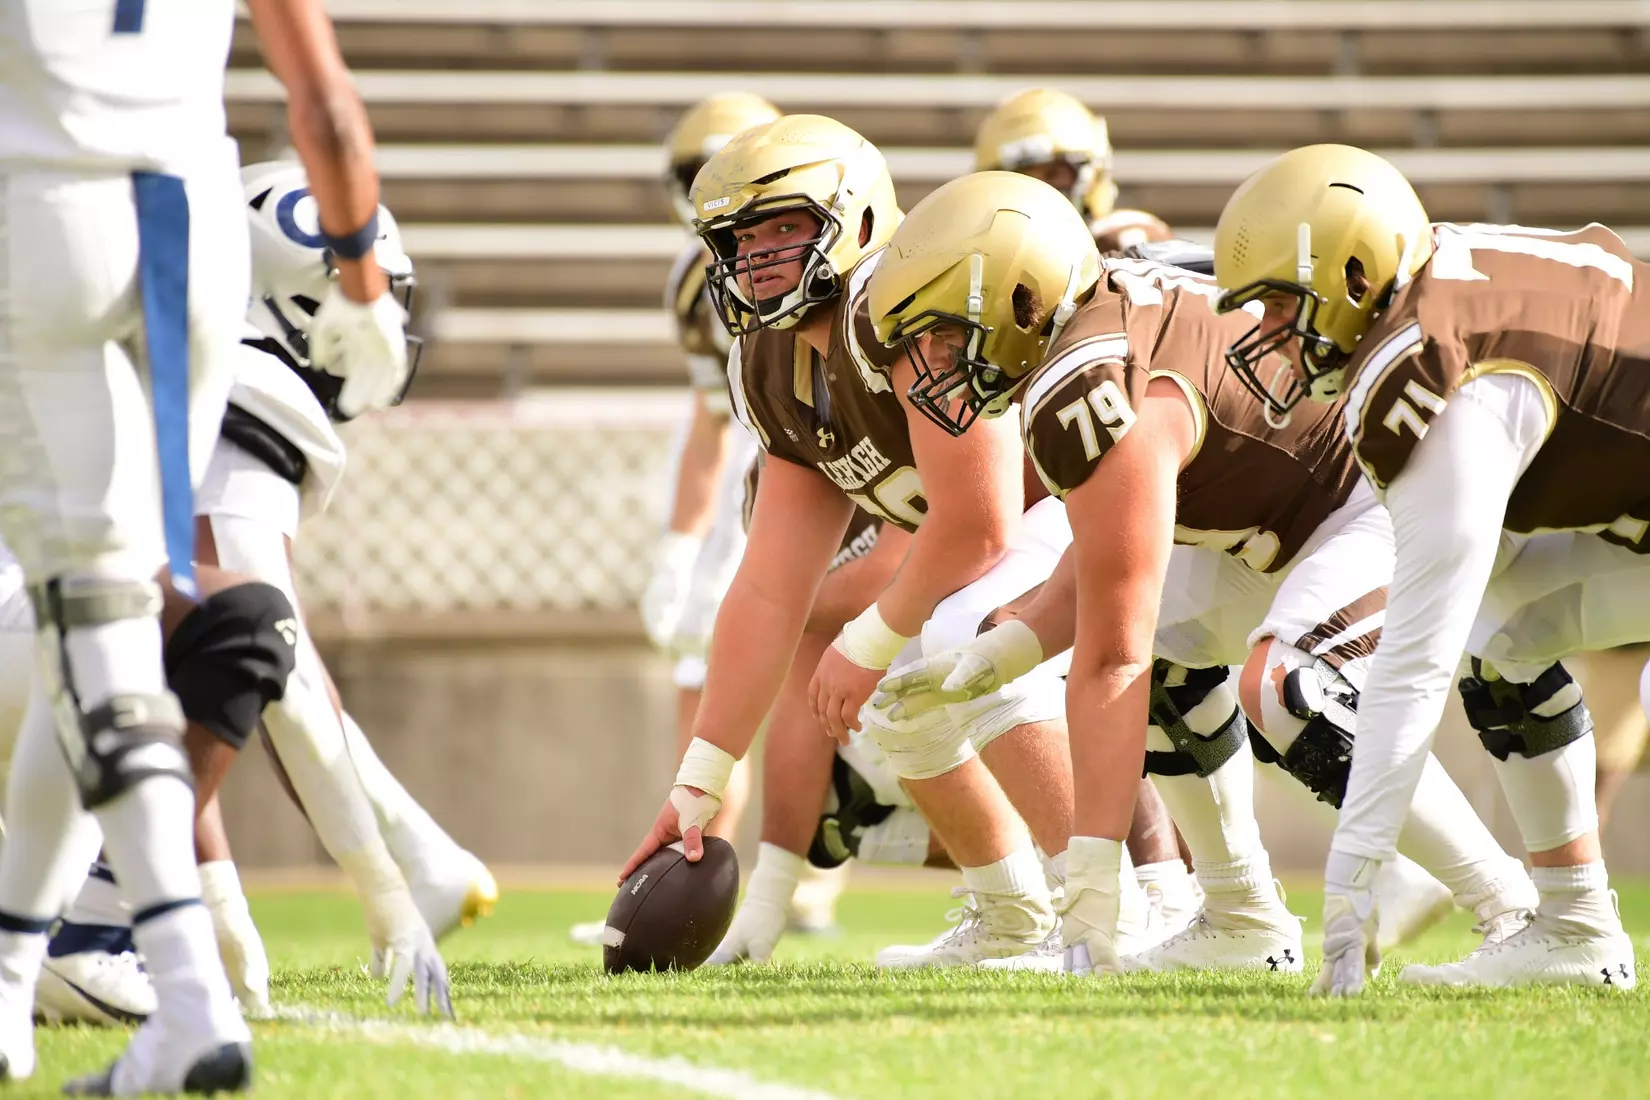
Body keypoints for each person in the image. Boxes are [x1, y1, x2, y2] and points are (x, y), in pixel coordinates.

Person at [868, 171, 1535, 974]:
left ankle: (1507, 904)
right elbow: (1108, 557)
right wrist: (1003, 654)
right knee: (1171, 659)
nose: (935, 362)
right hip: (1284, 530)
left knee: (1286, 689)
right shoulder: (1090, 336)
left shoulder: (1092, 376)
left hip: (1379, 498)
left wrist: (1092, 884)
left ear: (1020, 299)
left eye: (944, 334)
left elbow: (1112, 655)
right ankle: (1240, 914)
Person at [0, 0, 413, 1087]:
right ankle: (41, 961)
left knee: (90, 614)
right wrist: (363, 286)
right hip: (191, 225)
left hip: (43, 208)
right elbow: (328, 108)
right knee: (113, 610)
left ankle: (140, 982)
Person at [622, 115, 1089, 969]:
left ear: (861, 219)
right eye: (741, 238)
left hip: (1107, 494)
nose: (757, 257)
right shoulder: (768, 364)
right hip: (1038, 529)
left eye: (782, 228)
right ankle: (1013, 912)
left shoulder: (911, 307)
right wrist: (699, 786)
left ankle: (1106, 914)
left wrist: (866, 640)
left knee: (962, 635)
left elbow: (980, 523)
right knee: (900, 690)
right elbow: (770, 591)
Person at [1211, 143, 1645, 993]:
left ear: (1354, 276)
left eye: (1279, 304)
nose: (1266, 334)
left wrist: (1350, 886)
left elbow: (1411, 670)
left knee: (1481, 632)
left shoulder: (1441, 374)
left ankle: (1573, 924)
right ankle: (1575, 928)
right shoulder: (1447, 277)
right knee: (1505, 632)